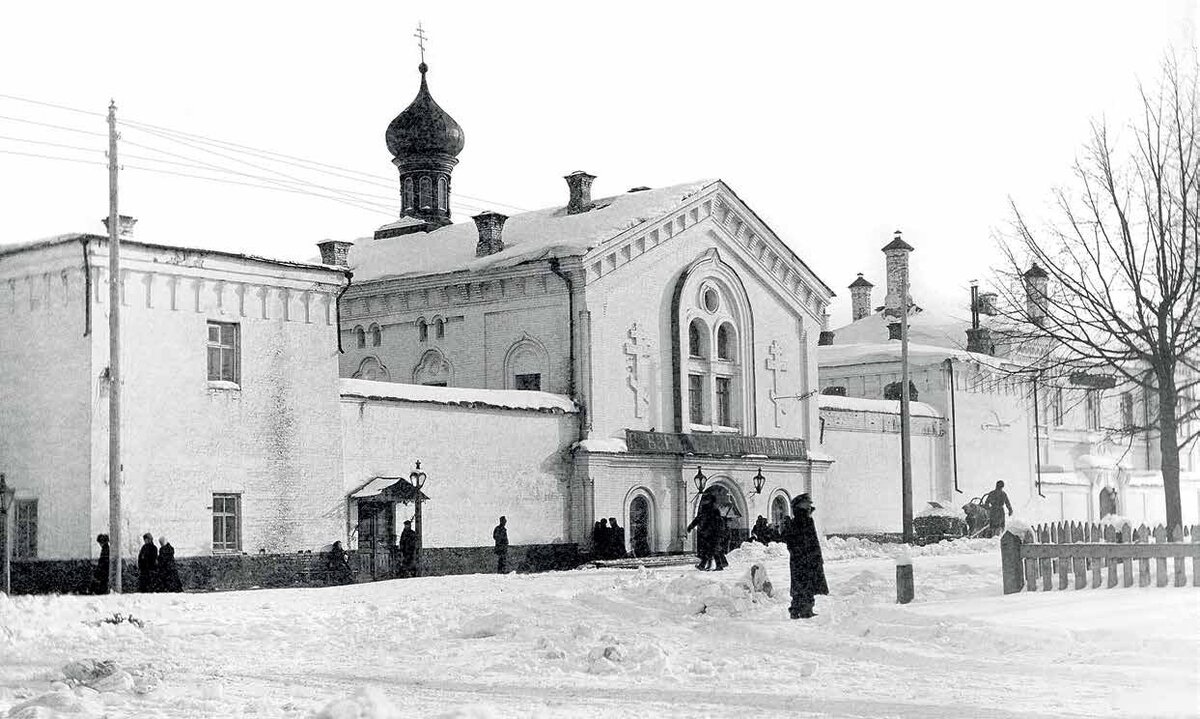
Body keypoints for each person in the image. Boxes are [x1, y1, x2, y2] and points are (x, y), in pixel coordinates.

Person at [783, 493, 828, 619]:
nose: (810, 504)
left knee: (801, 585)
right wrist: (807, 555)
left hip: (803, 558)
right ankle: (804, 610)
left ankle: (797, 610)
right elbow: (794, 541)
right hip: (805, 559)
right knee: (806, 584)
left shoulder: (801, 520)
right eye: (807, 502)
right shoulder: (802, 520)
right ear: (800, 505)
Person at [686, 494, 721, 570]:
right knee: (712, 550)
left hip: (709, 533)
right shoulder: (714, 510)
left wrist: (691, 526)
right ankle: (718, 565)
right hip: (711, 533)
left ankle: (703, 565)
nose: (704, 501)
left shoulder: (708, 510)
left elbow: (698, 519)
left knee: (709, 550)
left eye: (706, 500)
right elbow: (699, 519)